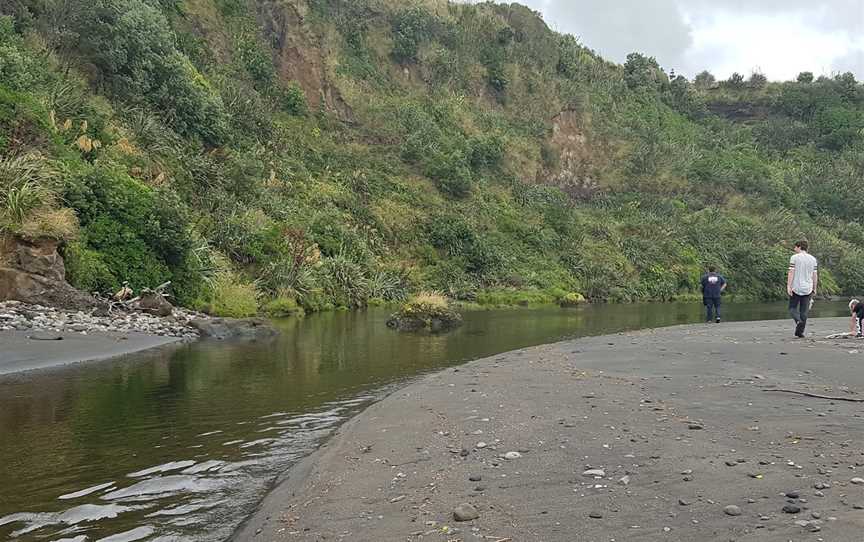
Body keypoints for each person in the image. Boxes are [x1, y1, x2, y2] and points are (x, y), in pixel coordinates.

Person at [787, 240, 818, 338]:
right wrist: (814, 287)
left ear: (799, 247)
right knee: (804, 311)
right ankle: (800, 332)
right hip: (808, 287)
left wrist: (789, 286)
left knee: (792, 308)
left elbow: (791, 272)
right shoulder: (813, 259)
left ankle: (798, 321)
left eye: (795, 247)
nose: (794, 249)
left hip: (796, 286)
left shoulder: (794, 258)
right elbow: (815, 275)